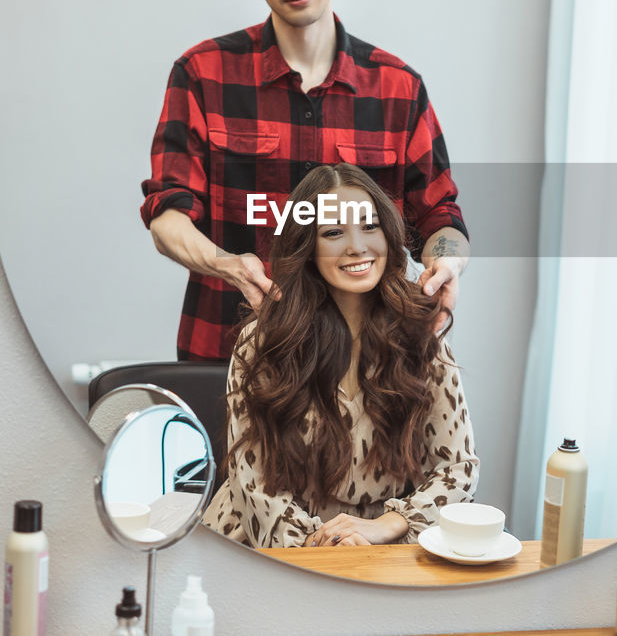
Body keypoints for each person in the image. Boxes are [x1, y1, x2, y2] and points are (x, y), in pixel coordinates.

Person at [140, 0, 469, 360]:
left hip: (366, 362)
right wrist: (228, 264)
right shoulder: (202, 74)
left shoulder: (399, 87)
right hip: (230, 353)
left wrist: (447, 266)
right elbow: (167, 213)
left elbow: (440, 215)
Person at [201, 163, 478, 547]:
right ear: (307, 246)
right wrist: (333, 548)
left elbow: (458, 471)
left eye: (369, 226)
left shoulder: (422, 336)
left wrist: (388, 525)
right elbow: (255, 489)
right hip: (268, 549)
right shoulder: (263, 342)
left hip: (383, 550)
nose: (357, 246)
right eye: (333, 232)